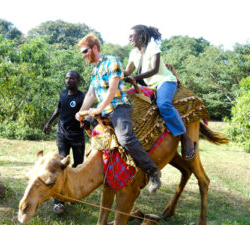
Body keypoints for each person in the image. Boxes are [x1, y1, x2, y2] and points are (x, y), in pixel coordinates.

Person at [76, 33, 161, 194]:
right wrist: (80, 112)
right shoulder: (95, 70)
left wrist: (99, 109)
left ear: (95, 48)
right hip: (103, 111)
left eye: (85, 51)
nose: (83, 55)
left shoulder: (112, 61)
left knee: (125, 139)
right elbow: (90, 95)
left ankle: (152, 171)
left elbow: (113, 90)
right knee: (86, 124)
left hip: (118, 108)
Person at [124, 24, 196, 160]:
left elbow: (154, 69)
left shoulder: (152, 47)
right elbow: (127, 71)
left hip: (164, 82)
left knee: (163, 105)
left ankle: (186, 138)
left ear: (140, 36)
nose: (129, 38)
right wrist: (114, 74)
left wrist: (134, 78)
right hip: (150, 86)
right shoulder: (133, 53)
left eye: (131, 36)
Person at [43, 70, 85, 214]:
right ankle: (58, 201)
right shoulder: (62, 94)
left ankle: (73, 195)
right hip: (62, 135)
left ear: (77, 80)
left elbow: (86, 115)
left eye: (71, 78)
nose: (68, 81)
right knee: (61, 165)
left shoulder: (82, 97)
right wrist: (49, 123)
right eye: (66, 78)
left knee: (78, 165)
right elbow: (59, 109)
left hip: (77, 137)